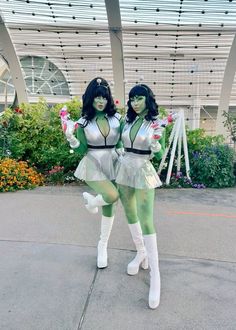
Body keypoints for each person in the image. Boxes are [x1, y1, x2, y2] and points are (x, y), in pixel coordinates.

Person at [61, 77, 122, 269]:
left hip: (114, 161)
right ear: (90, 98)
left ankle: (102, 245)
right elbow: (82, 149)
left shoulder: (117, 119)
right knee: (112, 196)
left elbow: (120, 141)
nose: (101, 101)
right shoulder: (83, 123)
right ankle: (92, 202)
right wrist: (71, 138)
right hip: (93, 162)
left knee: (109, 206)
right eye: (97, 97)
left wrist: (122, 151)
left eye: (104, 97)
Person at [116, 84, 165, 309]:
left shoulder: (155, 122)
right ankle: (140, 252)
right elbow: (120, 142)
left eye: (139, 99)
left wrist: (156, 144)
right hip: (125, 167)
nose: (135, 103)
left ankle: (156, 276)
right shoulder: (127, 121)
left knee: (147, 220)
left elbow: (161, 152)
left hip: (144, 168)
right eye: (132, 99)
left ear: (148, 99)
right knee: (129, 211)